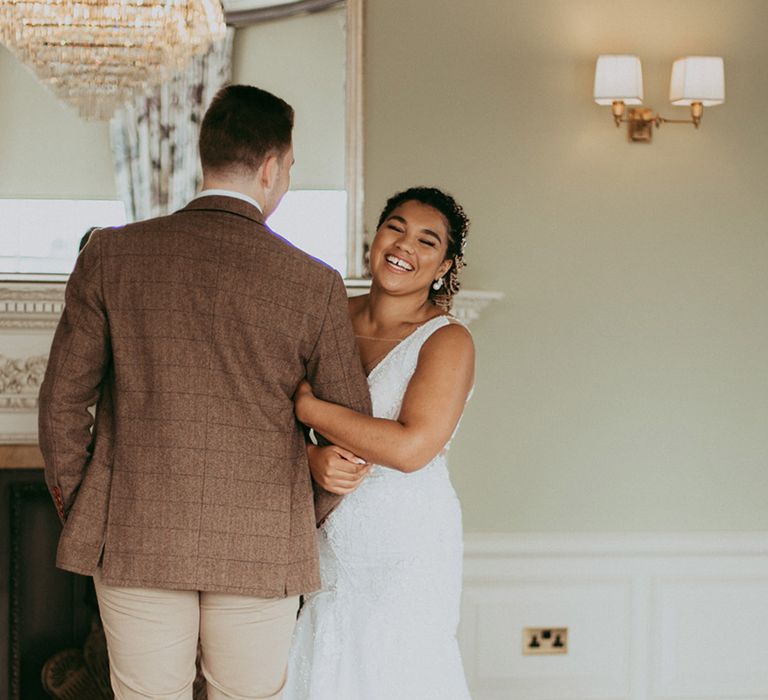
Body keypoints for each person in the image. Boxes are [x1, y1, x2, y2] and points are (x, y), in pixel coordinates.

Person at [37, 84, 371, 700]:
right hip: (262, 541)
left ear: (205, 154)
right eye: (290, 168)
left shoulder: (112, 254)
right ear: (271, 166)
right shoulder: (313, 282)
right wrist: (300, 510)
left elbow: (61, 401)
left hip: (135, 530)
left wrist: (88, 504)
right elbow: (354, 429)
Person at [283, 186, 475, 699]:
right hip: (326, 533)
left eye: (426, 241)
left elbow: (412, 448)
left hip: (407, 544)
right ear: (375, 236)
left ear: (443, 266)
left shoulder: (447, 339)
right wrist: (311, 456)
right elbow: (267, 420)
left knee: (395, 670)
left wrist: (311, 409)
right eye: (396, 227)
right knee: (326, 658)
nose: (404, 244)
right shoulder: (327, 317)